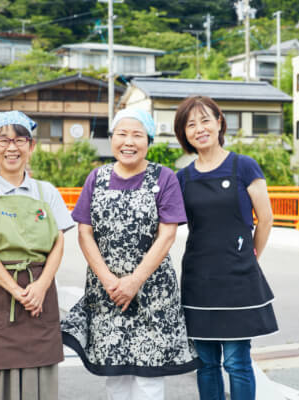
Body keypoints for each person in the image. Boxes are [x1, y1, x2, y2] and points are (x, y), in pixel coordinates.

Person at [61, 109, 199, 400]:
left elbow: (167, 234)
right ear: (112, 139)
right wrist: (110, 281)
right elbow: (84, 232)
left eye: (137, 135)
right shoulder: (96, 178)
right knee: (115, 374)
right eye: (122, 134)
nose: (129, 142)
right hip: (106, 291)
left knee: (149, 375)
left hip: (153, 292)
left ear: (148, 140)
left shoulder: (164, 177)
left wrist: (135, 280)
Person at [0, 111, 74, 400]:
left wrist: (41, 286)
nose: (12, 147)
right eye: (4, 140)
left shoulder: (46, 193)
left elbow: (58, 242)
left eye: (20, 140)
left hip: (40, 292)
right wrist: (18, 291)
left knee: (40, 375)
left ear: (31, 146)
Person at [173, 96, 278, 400]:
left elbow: (266, 220)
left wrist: (251, 256)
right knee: (206, 363)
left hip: (237, 277)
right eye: (191, 124)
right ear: (184, 134)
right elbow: (165, 225)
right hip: (198, 278)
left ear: (219, 122)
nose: (200, 128)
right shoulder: (182, 178)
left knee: (236, 362)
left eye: (206, 120)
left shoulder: (243, 166)